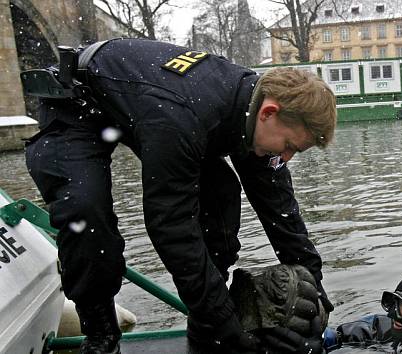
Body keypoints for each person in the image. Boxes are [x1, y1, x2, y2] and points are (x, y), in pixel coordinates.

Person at [22, 38, 336, 353]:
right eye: (291, 147)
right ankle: (101, 335)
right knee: (86, 216)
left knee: (220, 201)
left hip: (145, 105)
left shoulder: (255, 111)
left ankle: (204, 331)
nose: (288, 158)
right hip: (77, 105)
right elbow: (171, 226)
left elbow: (280, 210)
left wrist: (315, 285)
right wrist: (229, 325)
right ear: (269, 112)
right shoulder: (183, 115)